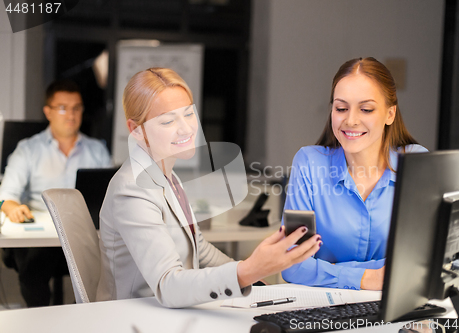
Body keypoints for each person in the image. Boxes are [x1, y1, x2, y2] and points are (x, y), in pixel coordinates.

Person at [96, 68, 322, 308]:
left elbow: (199, 249)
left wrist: (255, 281)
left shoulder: (167, 176)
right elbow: (168, 284)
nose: (186, 129)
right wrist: (247, 271)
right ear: (136, 130)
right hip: (131, 319)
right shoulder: (132, 189)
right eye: (168, 120)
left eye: (188, 114)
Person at [281, 57, 427, 291]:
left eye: (366, 109)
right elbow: (292, 264)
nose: (350, 120)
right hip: (326, 312)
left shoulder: (416, 163)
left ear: (390, 114)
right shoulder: (308, 163)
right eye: (341, 108)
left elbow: (426, 261)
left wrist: (328, 270)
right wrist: (369, 278)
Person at [0, 79, 112, 307]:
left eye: (76, 108)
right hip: (42, 238)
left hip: (86, 232)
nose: (70, 114)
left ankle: (81, 320)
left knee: (110, 269)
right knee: (33, 272)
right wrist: (13, 208)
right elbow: (6, 195)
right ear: (48, 112)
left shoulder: (97, 149)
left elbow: (110, 196)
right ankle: (42, 322)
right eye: (62, 107)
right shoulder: (28, 149)